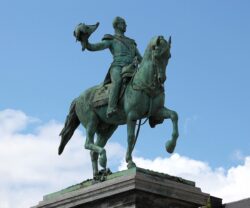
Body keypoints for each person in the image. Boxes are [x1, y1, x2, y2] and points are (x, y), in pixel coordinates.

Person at [81, 16, 142, 117]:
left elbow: (141, 59)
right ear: (117, 25)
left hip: (132, 68)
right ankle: (111, 107)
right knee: (117, 81)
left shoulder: (131, 42)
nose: (126, 25)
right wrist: (86, 43)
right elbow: (95, 47)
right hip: (117, 67)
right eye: (123, 23)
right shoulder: (112, 39)